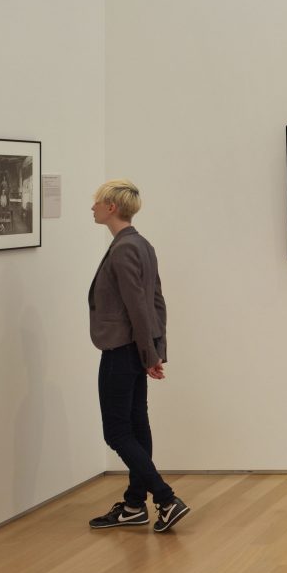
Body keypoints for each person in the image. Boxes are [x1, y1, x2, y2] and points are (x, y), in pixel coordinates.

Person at [86, 179, 190, 533]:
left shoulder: (124, 249)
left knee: (116, 431)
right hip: (136, 348)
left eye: (97, 202)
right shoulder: (140, 244)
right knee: (136, 423)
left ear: (111, 208)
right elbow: (156, 301)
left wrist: (149, 353)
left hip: (121, 349)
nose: (93, 207)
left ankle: (164, 498)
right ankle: (133, 504)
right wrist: (155, 350)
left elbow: (139, 308)